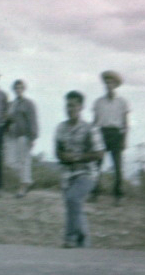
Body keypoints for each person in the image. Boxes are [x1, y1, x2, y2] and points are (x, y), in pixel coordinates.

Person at [55, 91, 105, 248]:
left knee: (73, 199)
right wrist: (64, 156)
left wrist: (77, 158)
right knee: (74, 205)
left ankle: (70, 237)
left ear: (81, 107)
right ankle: (84, 242)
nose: (70, 109)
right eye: (68, 105)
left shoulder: (90, 129)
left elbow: (99, 153)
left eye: (74, 105)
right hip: (67, 175)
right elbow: (58, 151)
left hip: (87, 173)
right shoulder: (61, 128)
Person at [90, 70, 129, 205]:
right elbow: (94, 122)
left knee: (118, 167)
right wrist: (92, 138)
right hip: (101, 133)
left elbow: (125, 123)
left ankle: (118, 196)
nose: (108, 85)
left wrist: (124, 139)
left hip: (116, 135)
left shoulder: (122, 102)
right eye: (106, 82)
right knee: (96, 166)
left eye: (111, 82)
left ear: (116, 85)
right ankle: (94, 193)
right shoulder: (98, 102)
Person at [6, 79, 38, 197]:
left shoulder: (28, 103)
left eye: (20, 88)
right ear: (13, 89)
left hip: (24, 135)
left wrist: (33, 137)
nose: (18, 90)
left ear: (23, 89)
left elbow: (33, 120)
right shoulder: (12, 104)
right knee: (11, 161)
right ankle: (28, 181)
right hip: (12, 135)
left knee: (24, 161)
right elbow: (8, 119)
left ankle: (23, 186)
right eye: (16, 88)